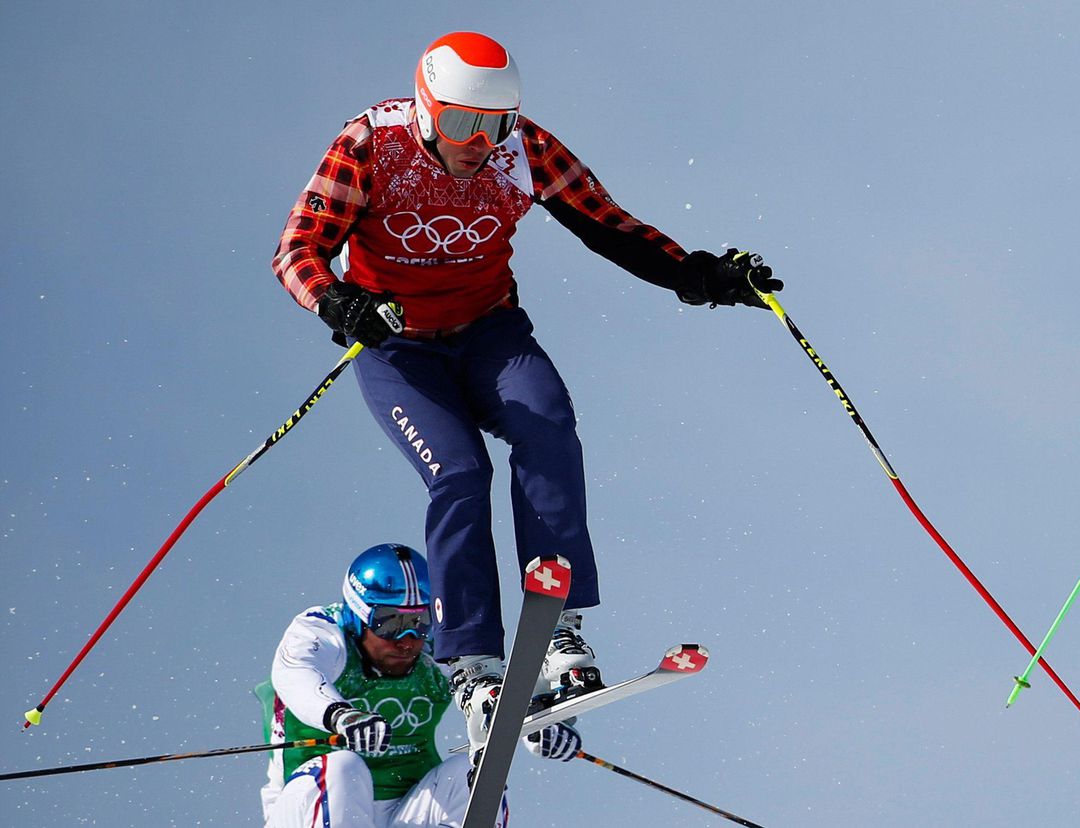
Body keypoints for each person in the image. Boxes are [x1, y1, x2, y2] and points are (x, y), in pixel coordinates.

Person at [271, 31, 781, 765]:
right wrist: (337, 303)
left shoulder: (525, 151)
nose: (479, 142)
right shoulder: (371, 144)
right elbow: (298, 249)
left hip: (488, 332)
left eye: (495, 124)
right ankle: (473, 661)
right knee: (460, 472)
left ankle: (561, 628)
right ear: (425, 111)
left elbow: (607, 224)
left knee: (547, 423)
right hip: (398, 348)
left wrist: (696, 274)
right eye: (460, 125)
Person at [256, 542, 582, 827]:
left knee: (471, 776)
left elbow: (492, 691)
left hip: (405, 811)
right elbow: (296, 674)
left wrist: (535, 721)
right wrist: (342, 715)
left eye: (419, 622)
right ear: (357, 616)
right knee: (343, 768)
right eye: (389, 623)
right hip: (308, 809)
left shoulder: (430, 651)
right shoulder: (324, 632)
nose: (406, 639)